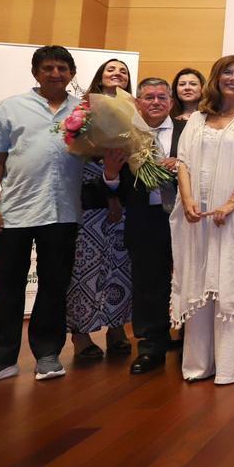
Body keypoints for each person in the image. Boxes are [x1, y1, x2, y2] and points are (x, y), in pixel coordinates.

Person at [0, 45, 84, 389]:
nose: (56, 73)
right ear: (36, 73)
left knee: (54, 286)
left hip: (63, 212)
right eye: (48, 67)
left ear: (72, 74)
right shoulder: (11, 107)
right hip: (15, 211)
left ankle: (48, 354)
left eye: (62, 68)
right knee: (6, 287)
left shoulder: (86, 112)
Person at [170, 55, 234, 384]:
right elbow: (183, 162)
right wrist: (187, 201)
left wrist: (230, 203)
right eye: (228, 72)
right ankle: (199, 364)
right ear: (216, 77)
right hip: (197, 217)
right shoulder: (197, 119)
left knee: (232, 281)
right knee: (198, 282)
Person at [100, 77, 183, 375]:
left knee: (191, 279)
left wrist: (182, 165)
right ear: (137, 103)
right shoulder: (124, 134)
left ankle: (192, 342)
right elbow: (116, 188)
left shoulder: (190, 131)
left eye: (162, 97)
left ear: (172, 103)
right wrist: (110, 174)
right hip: (145, 218)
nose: (156, 102)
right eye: (149, 97)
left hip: (187, 218)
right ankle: (151, 346)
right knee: (149, 284)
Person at [67, 59, 134, 362]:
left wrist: (116, 185)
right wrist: (106, 182)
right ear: (100, 76)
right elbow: (75, 148)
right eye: (111, 69)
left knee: (121, 266)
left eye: (123, 71)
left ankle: (117, 328)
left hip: (124, 195)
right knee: (84, 270)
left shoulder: (134, 109)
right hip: (89, 200)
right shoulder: (82, 109)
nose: (117, 73)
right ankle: (80, 336)